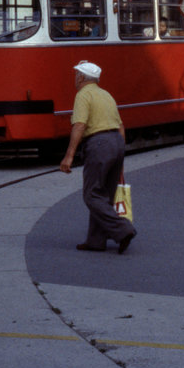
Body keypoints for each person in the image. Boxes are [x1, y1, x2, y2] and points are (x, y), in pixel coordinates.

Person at [59, 61, 136, 254]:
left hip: (99, 144)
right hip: (116, 143)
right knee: (105, 196)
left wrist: (68, 156)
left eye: (76, 74)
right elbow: (121, 126)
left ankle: (123, 229)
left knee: (92, 194)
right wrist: (121, 157)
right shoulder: (106, 94)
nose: (75, 78)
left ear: (82, 77)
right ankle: (96, 241)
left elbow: (79, 125)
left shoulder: (83, 95)